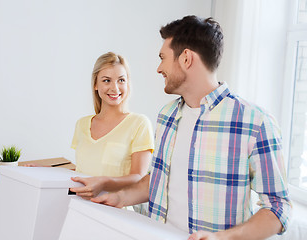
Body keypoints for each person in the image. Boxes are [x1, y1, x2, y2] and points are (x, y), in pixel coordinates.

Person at [92, 16, 292, 240]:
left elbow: (278, 207)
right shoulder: (166, 116)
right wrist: (120, 198)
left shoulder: (255, 122)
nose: (159, 68)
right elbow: (158, 180)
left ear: (186, 58)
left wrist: (224, 238)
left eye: (162, 58)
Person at [69, 52, 154, 202]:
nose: (115, 88)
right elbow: (82, 171)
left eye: (121, 80)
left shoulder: (139, 123)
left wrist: (104, 183)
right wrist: (45, 172)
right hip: (81, 208)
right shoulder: (82, 124)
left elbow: (139, 177)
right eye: (107, 80)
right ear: (95, 84)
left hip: (117, 210)